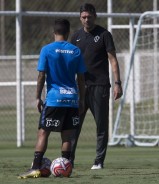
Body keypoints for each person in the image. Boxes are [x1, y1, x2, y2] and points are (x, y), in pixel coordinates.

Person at [18, 19, 86, 179]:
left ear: (54, 32)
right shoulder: (75, 51)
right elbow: (81, 79)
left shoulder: (47, 50)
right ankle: (66, 168)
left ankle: (35, 167)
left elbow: (41, 75)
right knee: (67, 136)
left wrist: (37, 97)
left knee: (43, 133)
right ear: (68, 32)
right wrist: (81, 100)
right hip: (71, 99)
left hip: (54, 99)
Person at [70, 3, 123, 170]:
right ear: (80, 18)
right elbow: (71, 63)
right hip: (79, 88)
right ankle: (68, 159)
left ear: (95, 16)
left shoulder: (104, 35)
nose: (86, 20)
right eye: (84, 17)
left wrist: (117, 83)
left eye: (89, 17)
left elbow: (113, 60)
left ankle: (99, 161)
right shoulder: (76, 37)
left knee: (101, 125)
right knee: (74, 125)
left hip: (99, 87)